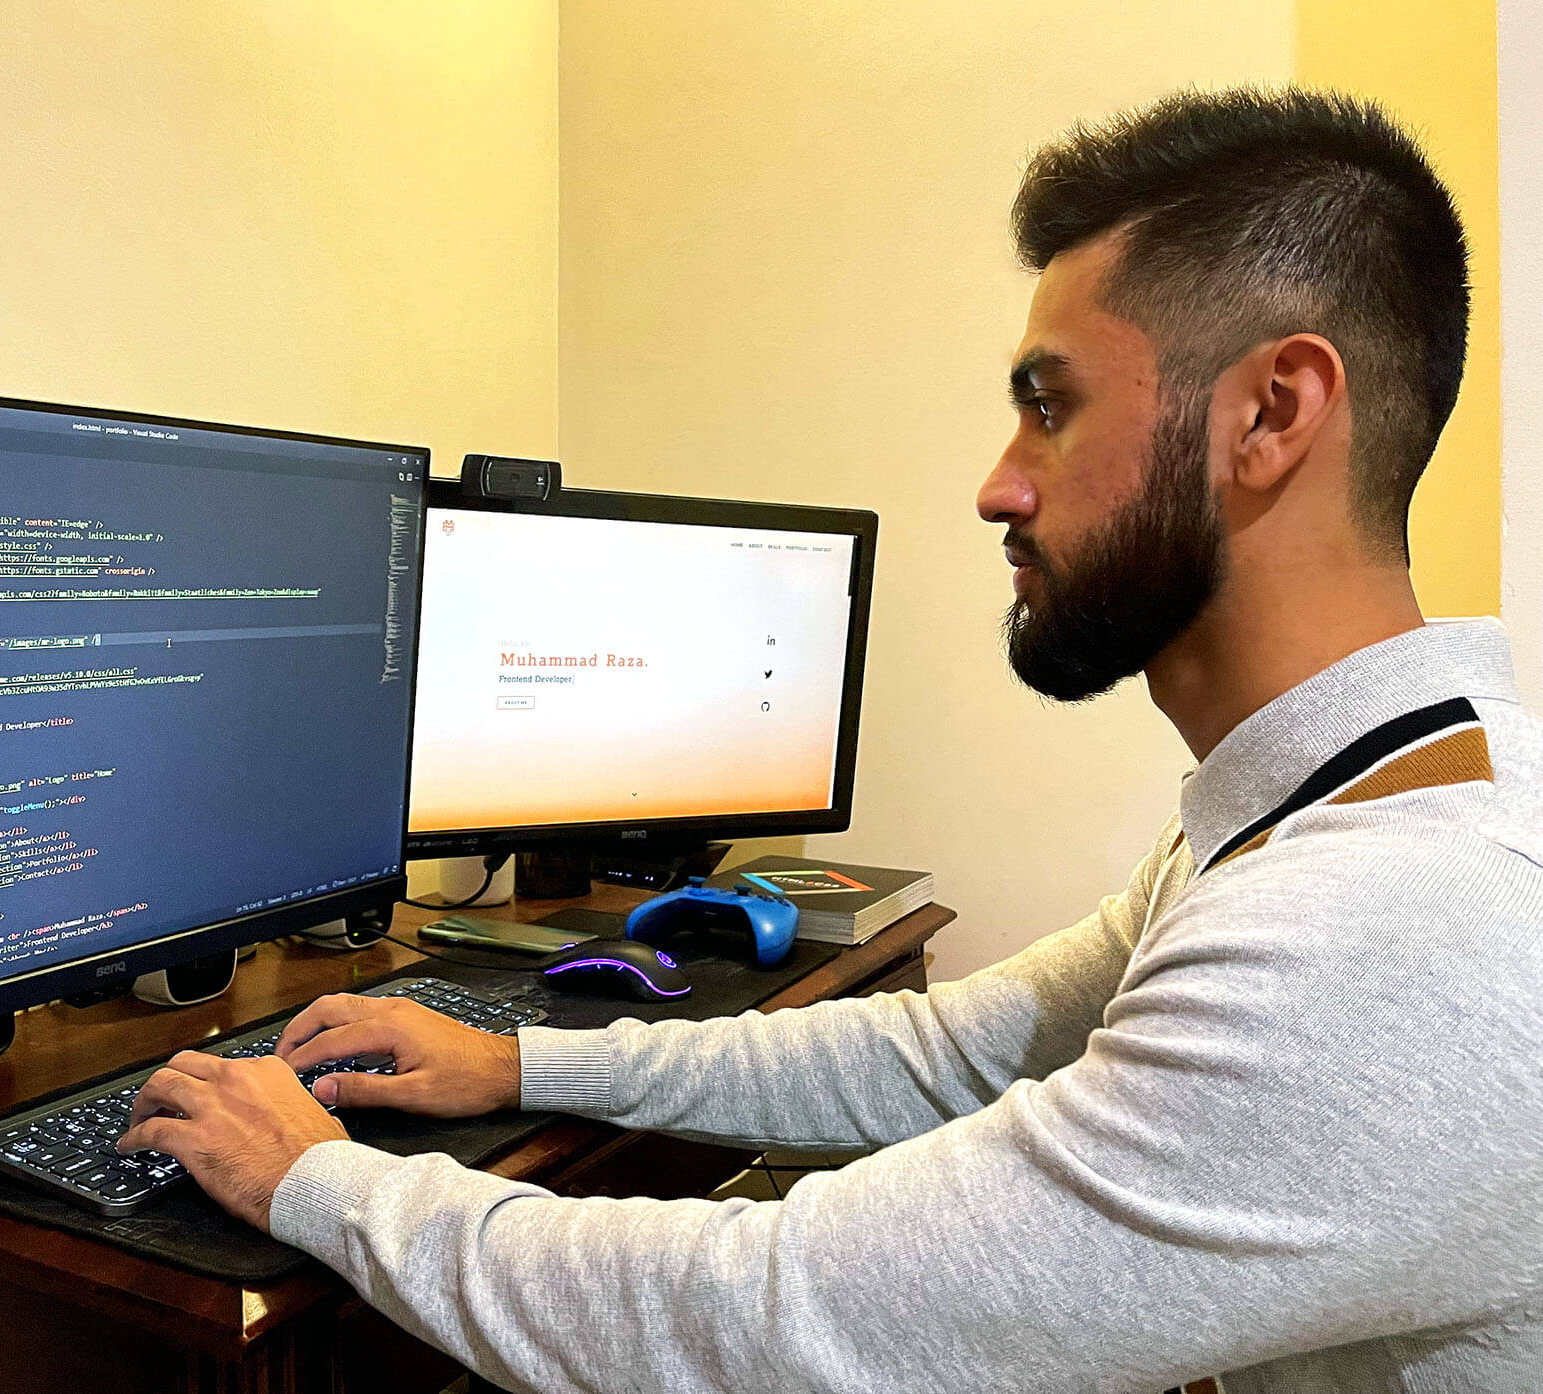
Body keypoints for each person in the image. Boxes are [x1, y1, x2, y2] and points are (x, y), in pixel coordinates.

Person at [118, 88, 1543, 1393]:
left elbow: (772, 1314)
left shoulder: (1387, 927)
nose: (998, 486)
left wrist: (322, 1181)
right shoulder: (1350, 798)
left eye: (1050, 407)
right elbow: (951, 1052)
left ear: (1271, 412)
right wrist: (524, 1065)